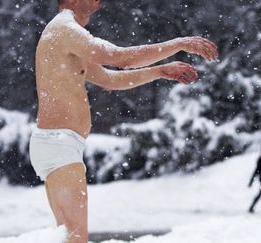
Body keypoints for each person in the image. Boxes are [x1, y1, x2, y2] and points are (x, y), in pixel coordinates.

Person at [29, 0, 219, 242]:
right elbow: (117, 57)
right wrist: (179, 44)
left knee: (67, 236)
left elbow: (109, 78)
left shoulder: (67, 36)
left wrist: (160, 71)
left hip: (60, 144)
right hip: (58, 144)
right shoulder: (64, 29)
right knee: (75, 237)